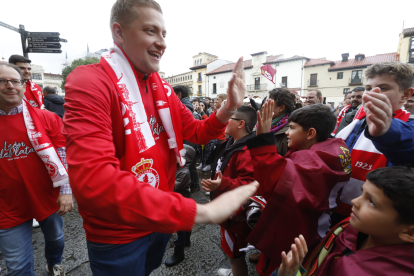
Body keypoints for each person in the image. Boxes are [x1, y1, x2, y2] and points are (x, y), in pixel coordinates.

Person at [62, 1, 258, 275]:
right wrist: (202, 212)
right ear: (118, 33)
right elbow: (92, 180)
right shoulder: (90, 81)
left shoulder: (162, 88)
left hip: (161, 217)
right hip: (119, 232)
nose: (162, 43)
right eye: (151, 31)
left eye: (164, 34)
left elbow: (198, 132)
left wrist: (228, 108)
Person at [244, 101, 351, 276]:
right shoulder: (332, 150)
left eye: (292, 128)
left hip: (297, 232)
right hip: (315, 227)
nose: (286, 132)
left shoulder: (313, 162)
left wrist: (263, 140)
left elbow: (276, 184)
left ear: (310, 133)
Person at [0, 64, 73, 276]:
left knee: (56, 239)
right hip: (6, 206)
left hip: (47, 198)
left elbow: (62, 154)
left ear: (23, 86)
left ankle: (54, 263)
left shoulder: (47, 118)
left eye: (15, 81)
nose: (10, 86)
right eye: (3, 81)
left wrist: (66, 192)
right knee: (18, 267)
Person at [274, 166, 414, 276]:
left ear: (410, 232)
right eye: (362, 193)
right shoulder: (351, 226)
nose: (355, 201)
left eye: (372, 202)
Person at [334, 61, 414, 224]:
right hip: (336, 210)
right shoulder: (355, 124)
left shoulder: (409, 124)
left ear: (406, 95)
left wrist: (386, 131)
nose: (371, 94)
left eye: (383, 88)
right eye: (368, 89)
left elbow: (406, 145)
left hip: (377, 221)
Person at [201, 106, 257, 276]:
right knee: (232, 249)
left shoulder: (247, 151)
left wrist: (222, 183)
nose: (224, 121)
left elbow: (250, 184)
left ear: (241, 124)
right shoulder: (230, 142)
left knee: (235, 254)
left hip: (235, 214)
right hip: (227, 207)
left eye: (229, 119)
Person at [164, 144, 195, 267]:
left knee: (181, 227)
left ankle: (179, 252)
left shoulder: (184, 172)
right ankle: (187, 240)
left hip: (182, 204)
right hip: (181, 202)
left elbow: (173, 187)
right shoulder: (177, 168)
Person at [174, 85, 200, 192]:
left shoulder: (184, 107)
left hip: (188, 142)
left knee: (187, 166)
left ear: (179, 95)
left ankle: (192, 185)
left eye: (173, 94)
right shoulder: (187, 105)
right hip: (191, 142)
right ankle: (194, 185)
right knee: (190, 165)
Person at [267, 88, 299, 156]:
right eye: (265, 101)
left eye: (268, 102)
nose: (264, 105)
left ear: (281, 108)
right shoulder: (259, 125)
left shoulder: (290, 132)